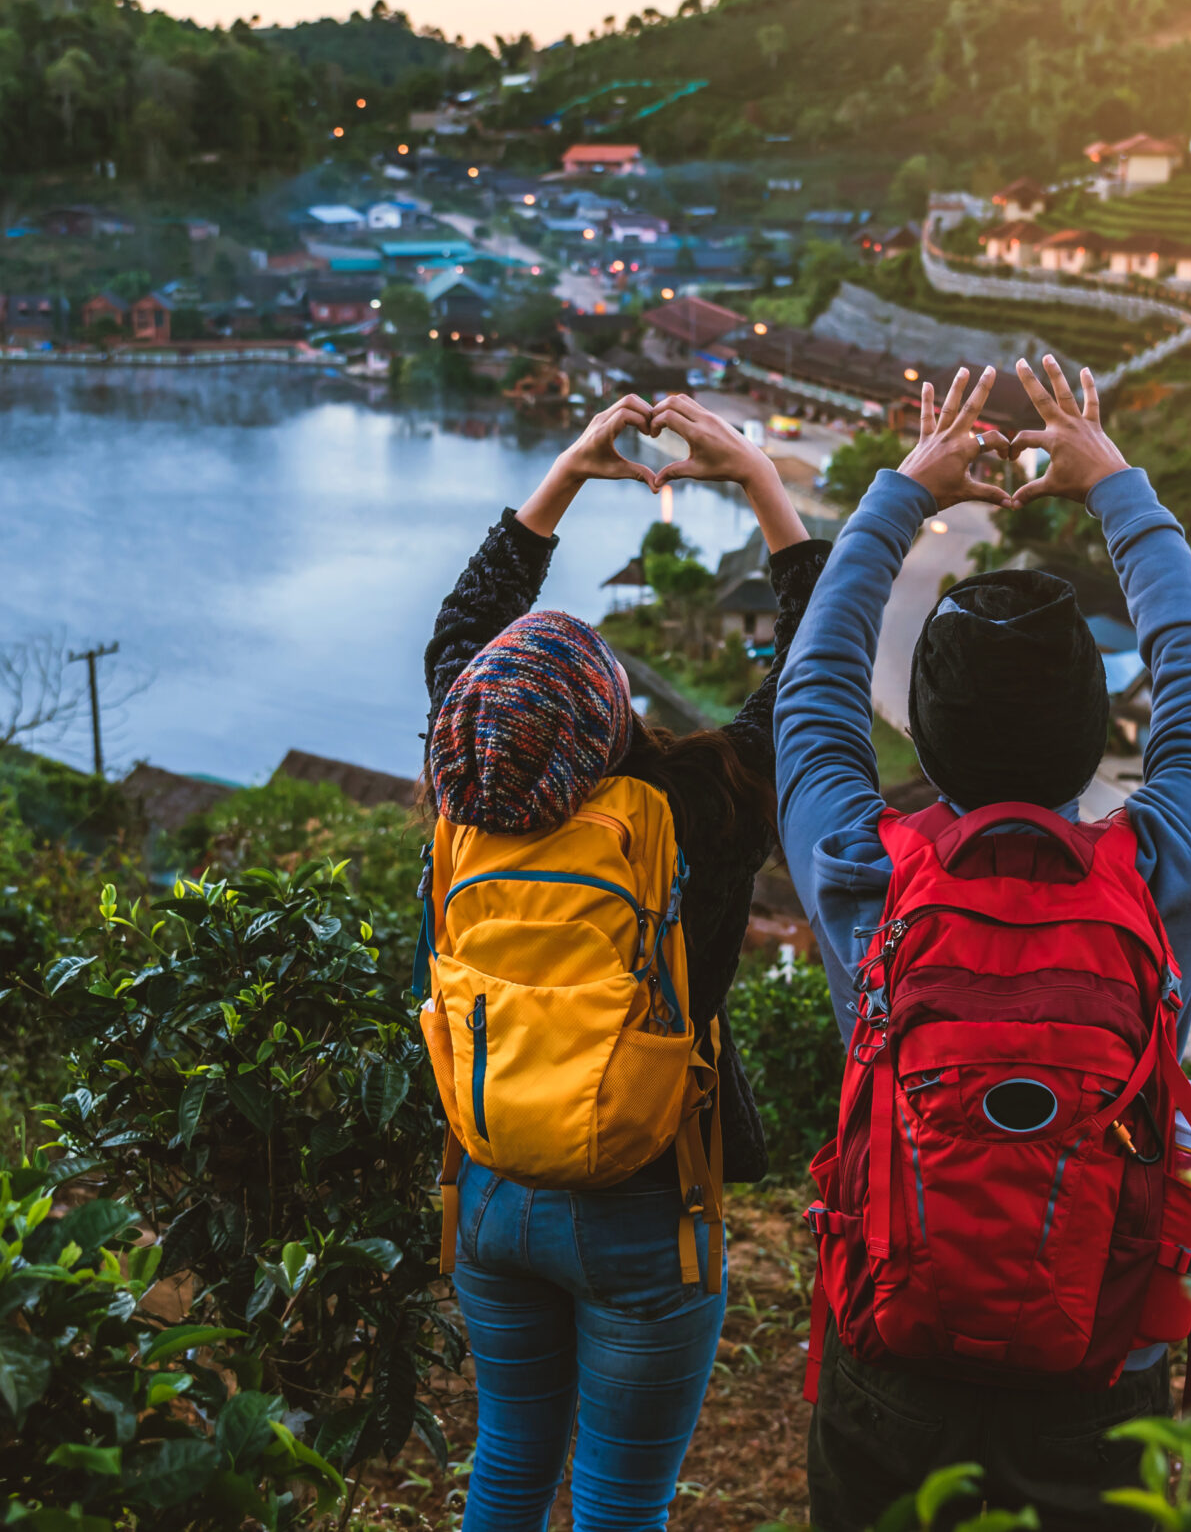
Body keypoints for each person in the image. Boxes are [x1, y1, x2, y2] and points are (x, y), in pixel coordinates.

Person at [772, 357, 1191, 1531]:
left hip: (892, 1349)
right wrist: (1115, 485)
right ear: (1095, 736)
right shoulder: (1161, 867)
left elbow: (813, 683)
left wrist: (904, 492)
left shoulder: (861, 868)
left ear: (926, 733)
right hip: (1096, 1359)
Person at [422, 392, 831, 1532]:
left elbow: (463, 638)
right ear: (610, 715)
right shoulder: (697, 802)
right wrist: (757, 479)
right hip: (645, 1200)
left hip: (493, 1180)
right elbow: (815, 661)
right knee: (618, 1505)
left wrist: (561, 473)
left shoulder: (472, 796)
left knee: (504, 1466)